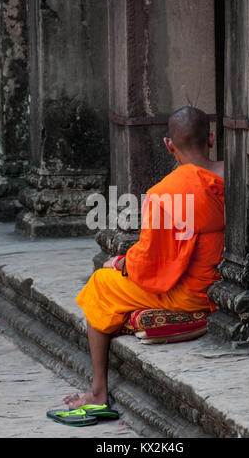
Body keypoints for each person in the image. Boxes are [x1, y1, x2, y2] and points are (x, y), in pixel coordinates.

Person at [63, 106, 224, 409]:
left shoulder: (166, 193)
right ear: (212, 139)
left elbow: (151, 262)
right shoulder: (237, 178)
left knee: (100, 283)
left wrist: (123, 262)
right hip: (225, 287)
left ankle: (98, 390)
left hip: (191, 295)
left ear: (168, 144)